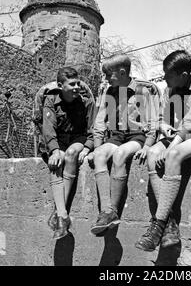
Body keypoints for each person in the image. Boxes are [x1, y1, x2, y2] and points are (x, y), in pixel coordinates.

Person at [135, 50, 191, 251]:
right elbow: (164, 118)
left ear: (183, 75)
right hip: (181, 134)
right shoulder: (171, 91)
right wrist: (162, 126)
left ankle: (158, 224)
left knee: (174, 155)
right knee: (152, 154)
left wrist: (172, 145)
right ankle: (170, 225)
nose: (164, 78)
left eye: (168, 74)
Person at [90, 54, 158, 236]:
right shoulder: (108, 92)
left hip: (137, 137)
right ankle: (107, 211)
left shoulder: (142, 91)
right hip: (116, 136)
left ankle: (113, 209)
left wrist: (147, 146)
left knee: (120, 155)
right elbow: (99, 122)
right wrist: (97, 147)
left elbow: (152, 122)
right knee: (99, 156)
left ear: (121, 73)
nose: (105, 79)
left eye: (108, 75)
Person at [42, 66, 95, 239]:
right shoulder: (50, 99)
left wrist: (87, 147)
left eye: (77, 83)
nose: (76, 87)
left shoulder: (86, 101)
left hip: (78, 139)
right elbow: (48, 129)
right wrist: (55, 150)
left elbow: (93, 129)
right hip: (58, 141)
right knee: (57, 160)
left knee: (71, 153)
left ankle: (59, 214)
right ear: (60, 85)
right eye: (71, 84)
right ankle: (63, 216)